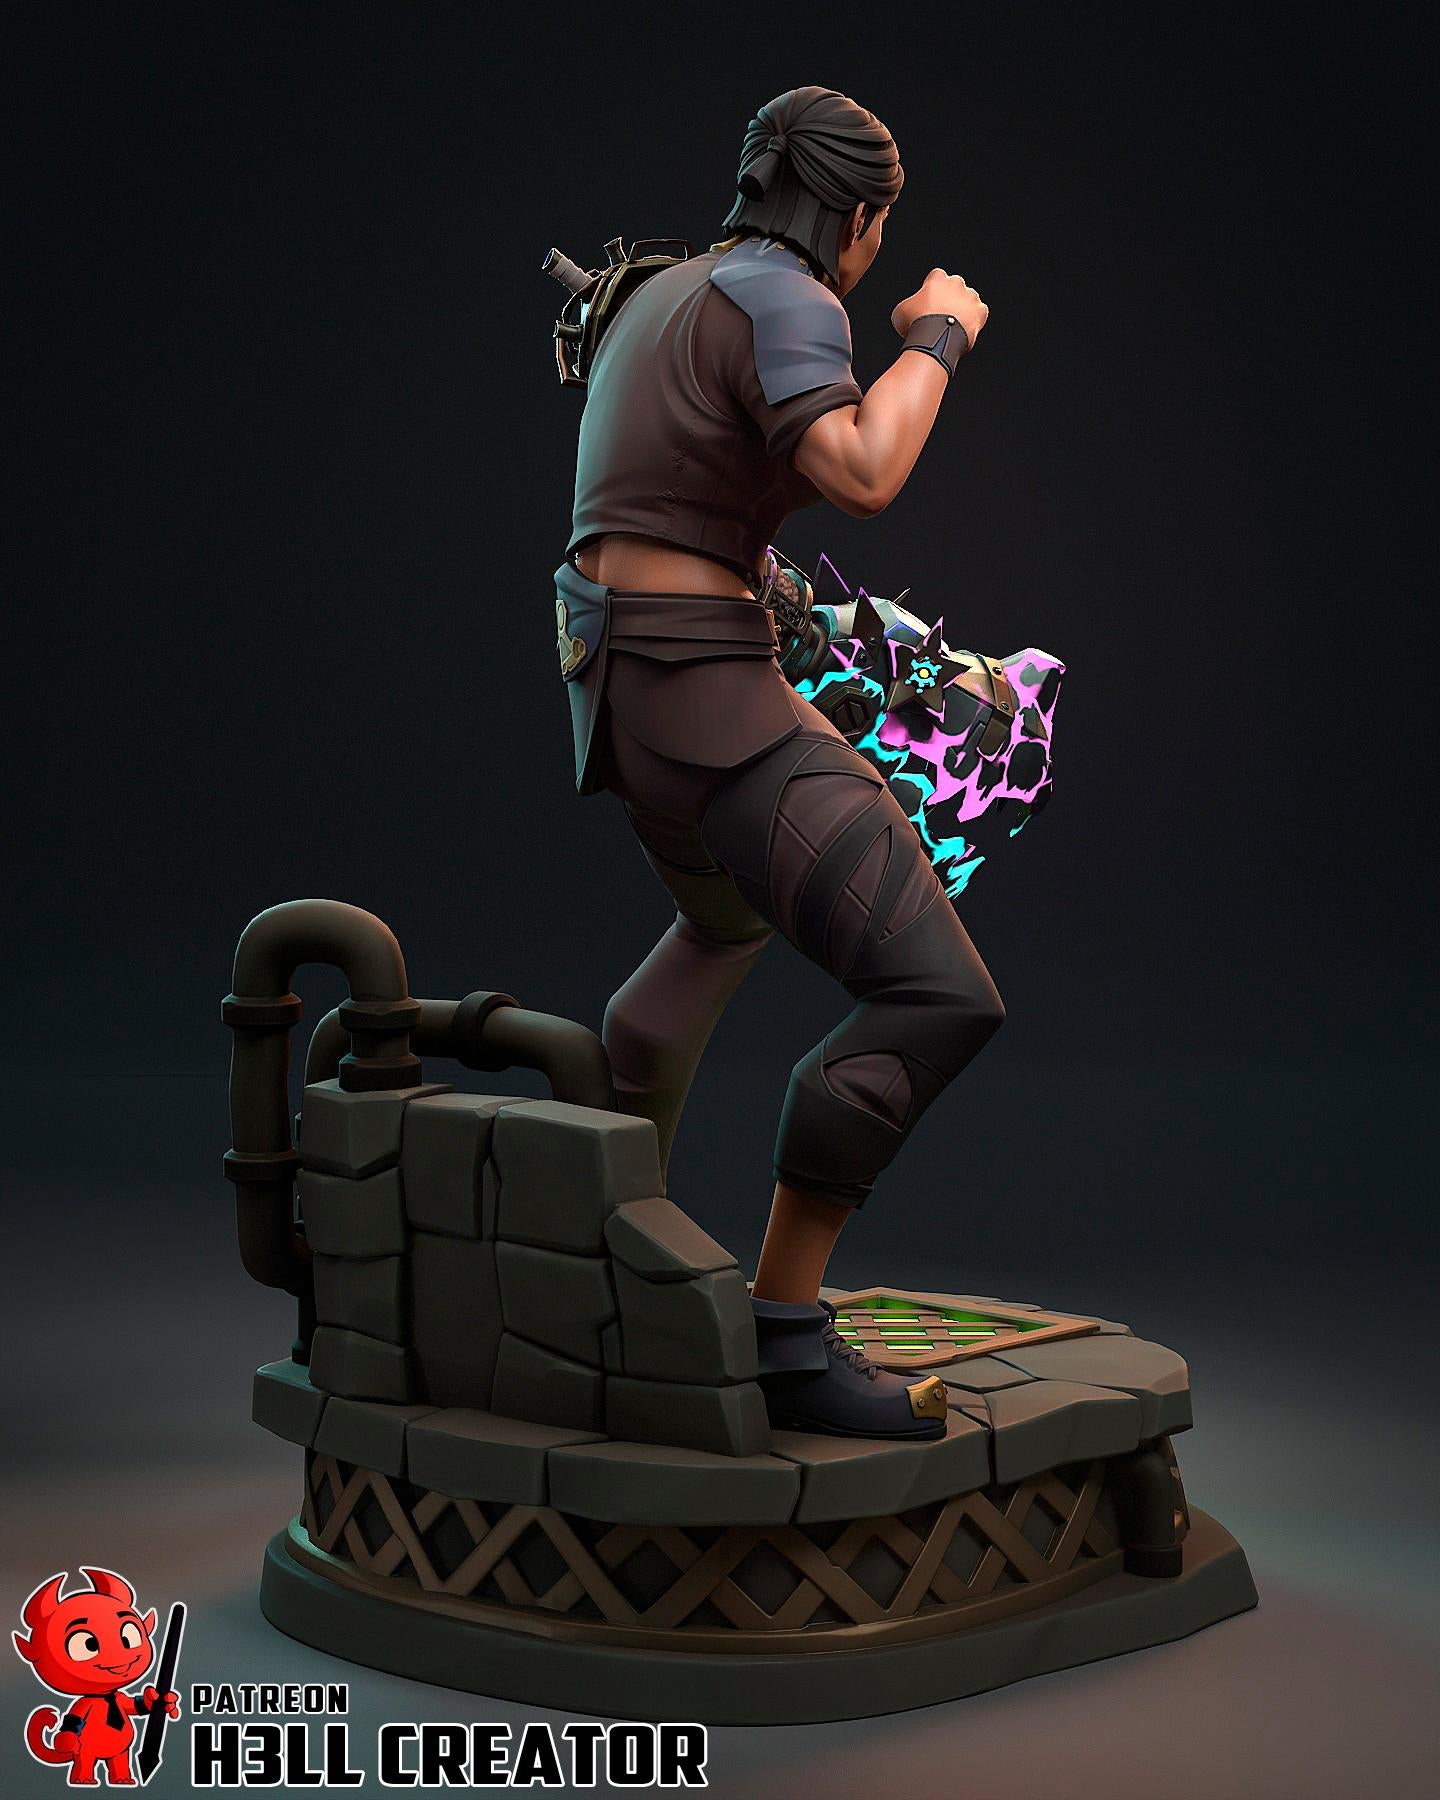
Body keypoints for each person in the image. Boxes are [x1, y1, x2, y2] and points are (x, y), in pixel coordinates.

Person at [553, 85, 1003, 1440]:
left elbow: (663, 489)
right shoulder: (786, 298)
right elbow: (863, 469)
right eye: (879, 230)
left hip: (617, 687)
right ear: (854, 219)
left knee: (720, 927)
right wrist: (936, 335)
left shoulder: (662, 292)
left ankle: (604, 1265)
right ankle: (788, 1336)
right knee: (934, 995)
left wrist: (767, 584)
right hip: (704, 699)